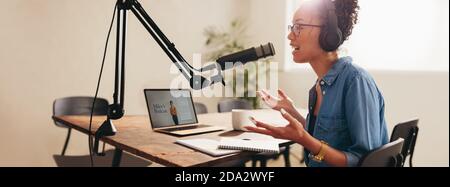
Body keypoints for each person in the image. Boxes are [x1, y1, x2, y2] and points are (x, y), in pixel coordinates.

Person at [245, 0, 389, 167]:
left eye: (299, 27)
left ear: (329, 34)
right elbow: (328, 136)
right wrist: (292, 111)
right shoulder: (319, 87)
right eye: (292, 27)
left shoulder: (355, 81)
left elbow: (365, 162)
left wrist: (303, 139)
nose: (290, 36)